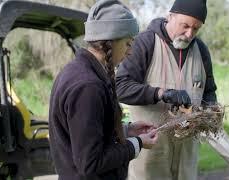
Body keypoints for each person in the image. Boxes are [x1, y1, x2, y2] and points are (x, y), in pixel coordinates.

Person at [48, 0, 158, 180]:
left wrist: (125, 130)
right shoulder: (88, 87)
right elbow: (91, 162)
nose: (130, 52)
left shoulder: (76, 71)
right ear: (110, 42)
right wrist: (137, 144)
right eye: (128, 44)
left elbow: (86, 134)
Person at [116, 0, 217, 179]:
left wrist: (211, 111)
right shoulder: (145, 42)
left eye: (196, 29)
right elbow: (121, 87)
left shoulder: (201, 50)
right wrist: (161, 93)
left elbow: (208, 91)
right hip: (150, 155)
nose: (189, 34)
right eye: (185, 25)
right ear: (170, 16)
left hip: (186, 159)